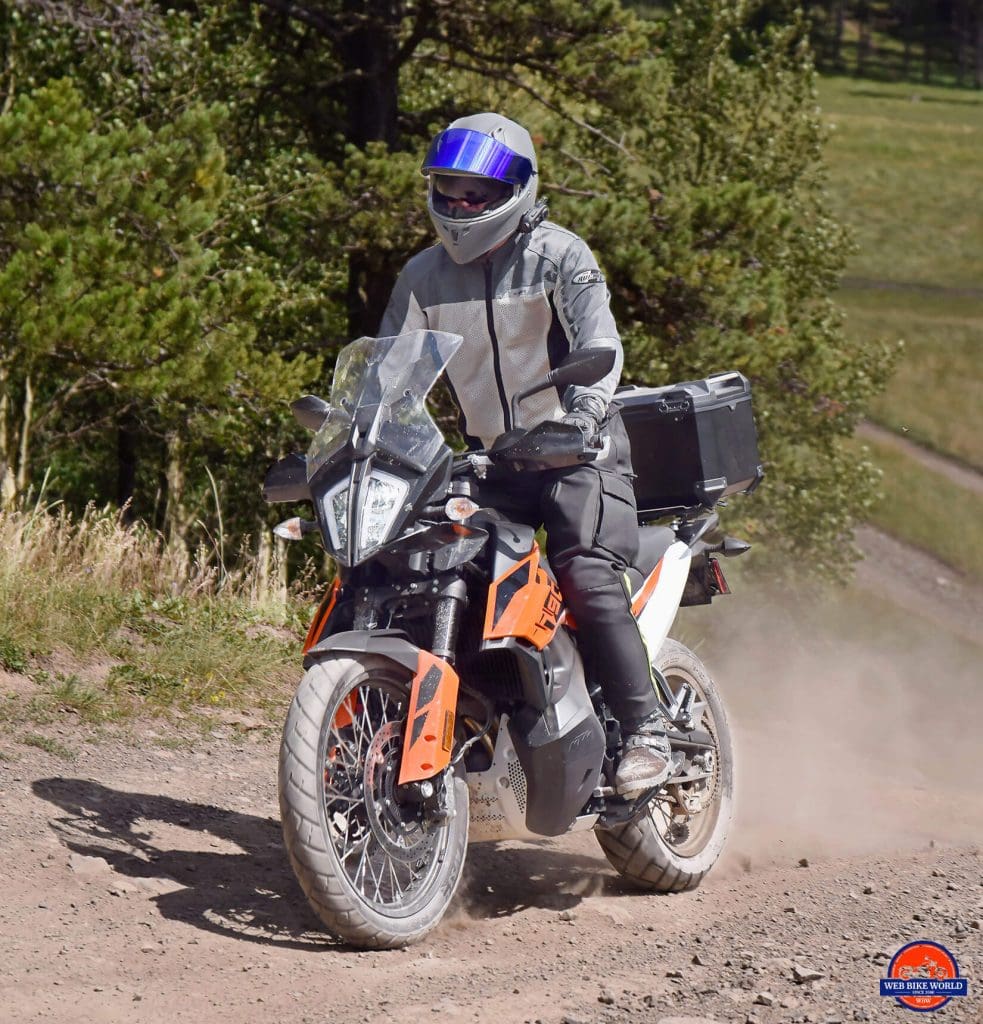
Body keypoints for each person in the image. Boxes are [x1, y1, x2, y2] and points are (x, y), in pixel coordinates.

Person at [379, 112, 672, 794]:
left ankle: (645, 731)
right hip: (493, 463)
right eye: (447, 191)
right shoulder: (422, 276)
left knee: (585, 573)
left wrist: (586, 416)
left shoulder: (560, 255)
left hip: (580, 453)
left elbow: (600, 343)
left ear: (515, 189)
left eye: (473, 194)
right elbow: (390, 378)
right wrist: (366, 436)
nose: (457, 207)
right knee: (426, 569)